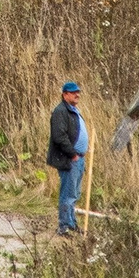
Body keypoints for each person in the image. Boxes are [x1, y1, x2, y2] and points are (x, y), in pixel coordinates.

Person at [47, 80, 89, 234]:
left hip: (78, 158)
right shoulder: (60, 111)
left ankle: (71, 223)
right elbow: (59, 136)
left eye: (78, 92)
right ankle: (64, 226)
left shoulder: (73, 111)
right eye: (73, 92)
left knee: (75, 193)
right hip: (69, 159)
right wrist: (72, 154)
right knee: (68, 194)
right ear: (65, 95)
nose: (77, 95)